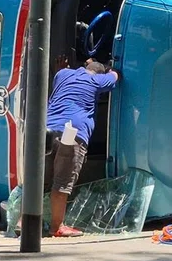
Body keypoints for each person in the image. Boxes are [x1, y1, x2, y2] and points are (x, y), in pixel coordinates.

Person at [45, 58, 119, 237]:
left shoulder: (62, 74)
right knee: (62, 181)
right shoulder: (97, 80)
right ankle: (57, 227)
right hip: (72, 133)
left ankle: (24, 221)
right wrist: (110, 67)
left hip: (47, 130)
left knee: (39, 179)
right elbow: (115, 76)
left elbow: (62, 73)